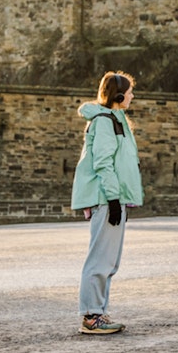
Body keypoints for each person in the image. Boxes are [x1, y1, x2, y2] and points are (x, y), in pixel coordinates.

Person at [70, 71, 144, 335]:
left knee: (109, 260)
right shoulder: (104, 121)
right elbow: (103, 163)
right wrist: (113, 198)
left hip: (114, 198)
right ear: (119, 95)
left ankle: (97, 311)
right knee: (100, 259)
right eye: (131, 92)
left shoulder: (116, 120)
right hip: (106, 198)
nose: (133, 96)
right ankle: (91, 316)